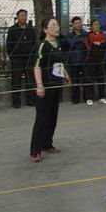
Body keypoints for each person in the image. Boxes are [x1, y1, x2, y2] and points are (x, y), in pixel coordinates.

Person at [29, 18, 71, 162]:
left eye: (57, 25)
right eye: (53, 25)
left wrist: (65, 74)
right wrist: (39, 85)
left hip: (56, 85)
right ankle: (35, 151)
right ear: (45, 29)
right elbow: (37, 66)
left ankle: (47, 144)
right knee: (42, 118)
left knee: (52, 117)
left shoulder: (58, 43)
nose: (57, 27)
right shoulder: (42, 45)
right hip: (45, 86)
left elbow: (59, 63)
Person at [6, 9, 37, 108]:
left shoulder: (31, 29)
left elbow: (35, 43)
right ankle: (16, 102)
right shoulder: (12, 29)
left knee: (30, 80)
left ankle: (30, 100)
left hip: (29, 58)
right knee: (16, 80)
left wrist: (33, 56)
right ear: (18, 17)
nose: (24, 17)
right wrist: (12, 57)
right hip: (17, 59)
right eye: (21, 15)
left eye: (25, 15)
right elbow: (9, 45)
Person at [84, 18, 106, 106]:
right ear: (91, 26)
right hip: (91, 60)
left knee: (101, 78)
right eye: (95, 24)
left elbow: (105, 44)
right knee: (90, 79)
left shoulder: (103, 34)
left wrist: (98, 44)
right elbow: (90, 46)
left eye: (98, 24)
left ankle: (101, 97)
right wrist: (99, 44)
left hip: (101, 60)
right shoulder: (89, 35)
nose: (97, 26)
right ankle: (89, 98)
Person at [67, 16, 89, 104]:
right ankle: (75, 98)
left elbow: (88, 44)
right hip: (73, 61)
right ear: (72, 25)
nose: (78, 25)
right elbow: (70, 44)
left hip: (84, 60)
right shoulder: (69, 35)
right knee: (75, 81)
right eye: (76, 23)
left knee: (86, 80)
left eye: (80, 23)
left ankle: (86, 97)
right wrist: (80, 40)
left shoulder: (86, 34)